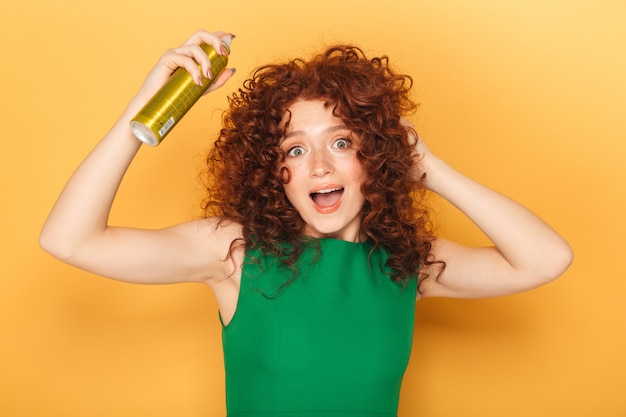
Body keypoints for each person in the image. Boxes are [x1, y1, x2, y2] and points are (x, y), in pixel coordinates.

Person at [39, 29, 573, 416]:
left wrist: (429, 169)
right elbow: (69, 239)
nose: (320, 165)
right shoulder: (234, 253)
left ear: (375, 155)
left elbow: (546, 259)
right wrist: (146, 109)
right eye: (295, 148)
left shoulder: (405, 265)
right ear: (276, 172)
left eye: (342, 142)